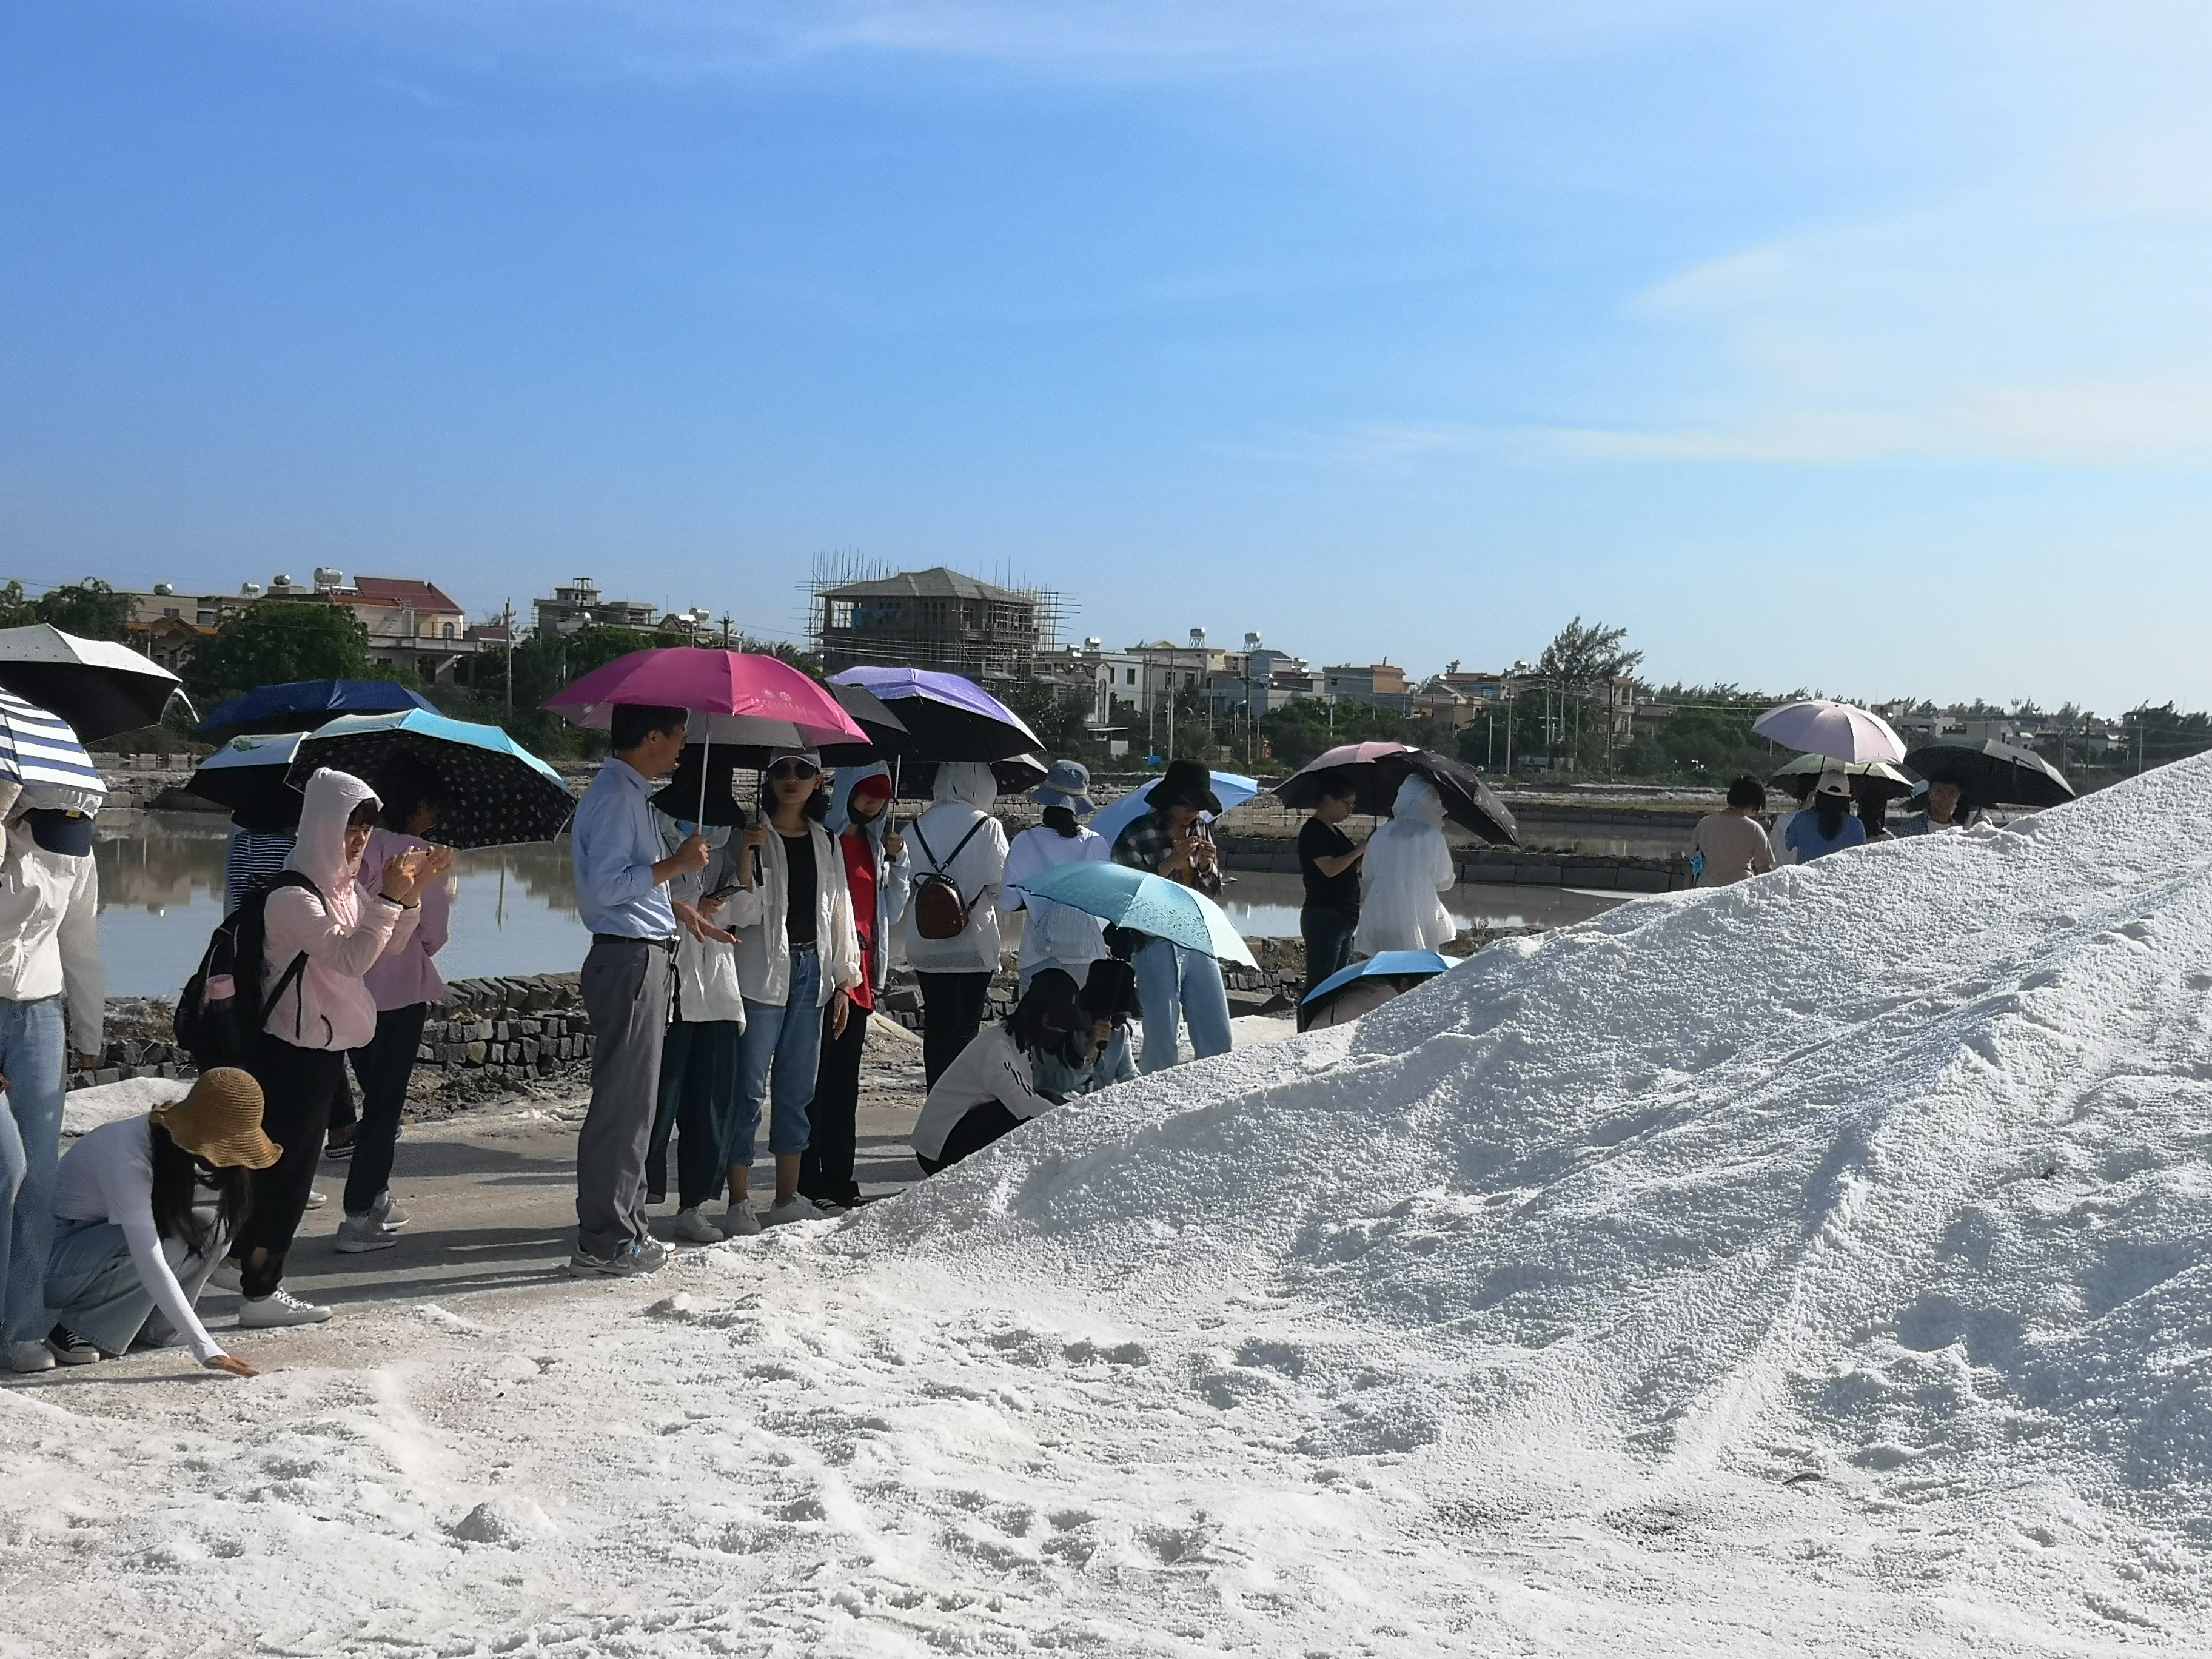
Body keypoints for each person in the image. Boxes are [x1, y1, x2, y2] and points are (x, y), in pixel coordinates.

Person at [216, 769, 447, 1326]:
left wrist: (409, 897)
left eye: (367, 826)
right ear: (323, 824)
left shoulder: (341, 890)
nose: (360, 838)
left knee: (281, 1175)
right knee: (284, 1178)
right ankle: (257, 1290)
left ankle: (244, 1269)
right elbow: (349, 960)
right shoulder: (296, 895)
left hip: (322, 1050)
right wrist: (392, 897)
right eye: (351, 825)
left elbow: (387, 946)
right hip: (290, 1053)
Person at [569, 705, 715, 1278]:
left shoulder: (628, 794)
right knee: (624, 1106)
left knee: (635, 1103)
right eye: (679, 736)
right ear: (652, 737)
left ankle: (623, 1228)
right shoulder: (616, 798)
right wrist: (675, 865)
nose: (682, 748)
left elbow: (623, 883)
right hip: (628, 959)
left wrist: (671, 902)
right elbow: (606, 889)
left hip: (640, 951)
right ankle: (606, 1240)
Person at [39, 1068, 270, 1376]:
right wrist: (204, 1345)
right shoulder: (128, 1154)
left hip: (91, 1252)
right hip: (50, 1261)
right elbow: (148, 1256)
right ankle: (80, 1327)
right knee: (168, 1239)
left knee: (212, 1227)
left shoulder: (173, 1147)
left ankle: (154, 1327)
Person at [729, 749, 863, 1228]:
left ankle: (786, 1198)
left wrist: (845, 981)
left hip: (813, 972)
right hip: (761, 972)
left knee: (798, 1090)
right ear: (768, 778)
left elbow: (839, 911)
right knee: (747, 1090)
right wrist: (746, 853)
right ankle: (739, 1200)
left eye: (802, 771)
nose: (792, 780)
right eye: (782, 770)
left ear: (818, 780)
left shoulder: (826, 842)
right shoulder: (750, 834)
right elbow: (740, 913)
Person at [0, 799, 106, 1375]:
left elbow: (81, 934)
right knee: (5, 1168)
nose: (75, 807)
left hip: (39, 1014)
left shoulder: (74, 842)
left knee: (40, 1177)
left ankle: (19, 1328)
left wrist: (89, 1026)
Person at [333, 756, 452, 1254]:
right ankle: (358, 1213)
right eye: (434, 809)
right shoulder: (425, 857)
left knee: (371, 1093)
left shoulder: (352, 849)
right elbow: (434, 937)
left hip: (348, 989)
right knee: (386, 1107)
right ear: (420, 807)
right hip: (401, 996)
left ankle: (377, 1196)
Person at [800, 767, 910, 1211]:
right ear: (847, 791)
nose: (871, 804)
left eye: (880, 797)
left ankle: (841, 1178)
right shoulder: (822, 842)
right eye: (865, 794)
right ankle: (808, 1179)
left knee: (844, 1087)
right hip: (827, 979)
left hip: (864, 980)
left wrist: (899, 863)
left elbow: (894, 910)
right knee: (814, 1083)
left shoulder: (877, 846)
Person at [1110, 759, 1232, 1074]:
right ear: (1170, 801)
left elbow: (1212, 890)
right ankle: (1155, 1096)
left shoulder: (1202, 828)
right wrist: (1171, 862)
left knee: (1216, 1027)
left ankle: (1215, 1090)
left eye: (1199, 805)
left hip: (1196, 934)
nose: (1195, 812)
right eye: (1189, 804)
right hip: (1154, 939)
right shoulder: (1137, 833)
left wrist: (1206, 867)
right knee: (1163, 1033)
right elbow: (1128, 893)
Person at [911, 971, 1084, 1175]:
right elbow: (1023, 1103)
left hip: (959, 1133)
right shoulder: (997, 1048)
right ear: (1035, 1014)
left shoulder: (1020, 1045)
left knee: (1047, 1099)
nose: (1059, 1034)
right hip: (938, 1151)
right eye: (1054, 1025)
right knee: (1022, 1115)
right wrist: (1073, 1123)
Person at [903, 762, 1009, 1087]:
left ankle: (936, 1098)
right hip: (973, 945)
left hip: (926, 944)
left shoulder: (915, 827)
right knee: (966, 1028)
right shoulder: (988, 827)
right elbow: (1002, 885)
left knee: (936, 1025)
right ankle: (960, 1102)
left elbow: (903, 882)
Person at [1000, 760, 1110, 991]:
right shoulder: (1095, 843)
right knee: (1083, 1023)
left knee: (1035, 1025)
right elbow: (1106, 906)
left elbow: (1008, 903)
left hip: (1038, 954)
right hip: (1086, 957)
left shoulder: (1024, 841)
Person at [1354, 773, 1458, 956]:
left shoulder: (1379, 835)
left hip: (1382, 914)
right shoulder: (1433, 837)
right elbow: (1445, 882)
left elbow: (1368, 875)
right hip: (1421, 913)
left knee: (1386, 968)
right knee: (1420, 968)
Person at [1296, 772, 1364, 1002]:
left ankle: (1322, 1027)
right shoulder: (1314, 831)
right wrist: (1359, 850)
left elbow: (1346, 870)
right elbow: (1330, 869)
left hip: (1343, 916)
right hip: (1325, 915)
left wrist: (1364, 856)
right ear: (1328, 800)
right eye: (1347, 804)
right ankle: (1307, 1031)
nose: (1350, 811)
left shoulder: (1335, 832)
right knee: (1320, 984)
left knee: (1335, 984)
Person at [1031, 958, 1140, 1098]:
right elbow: (1060, 1085)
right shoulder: (1060, 1027)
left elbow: (1129, 1075)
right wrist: (1089, 1053)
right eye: (1115, 1017)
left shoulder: (1120, 1034)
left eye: (1121, 1018)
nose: (1114, 1026)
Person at [1691, 776, 1777, 888]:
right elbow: (1765, 870)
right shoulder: (1754, 829)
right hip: (1739, 891)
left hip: (1707, 890)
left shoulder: (1705, 823)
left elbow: (1692, 862)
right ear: (1753, 803)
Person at [1784, 769, 1869, 862]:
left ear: (1818, 796)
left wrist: (1806, 809)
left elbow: (1789, 844)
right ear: (1846, 799)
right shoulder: (1856, 825)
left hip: (1806, 876)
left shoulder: (1801, 819)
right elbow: (1861, 858)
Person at [1895, 778, 1974, 836]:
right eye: (1939, 793)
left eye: (1951, 794)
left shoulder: (1959, 831)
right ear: (1929, 794)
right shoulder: (1910, 827)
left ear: (1958, 798)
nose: (1945, 799)